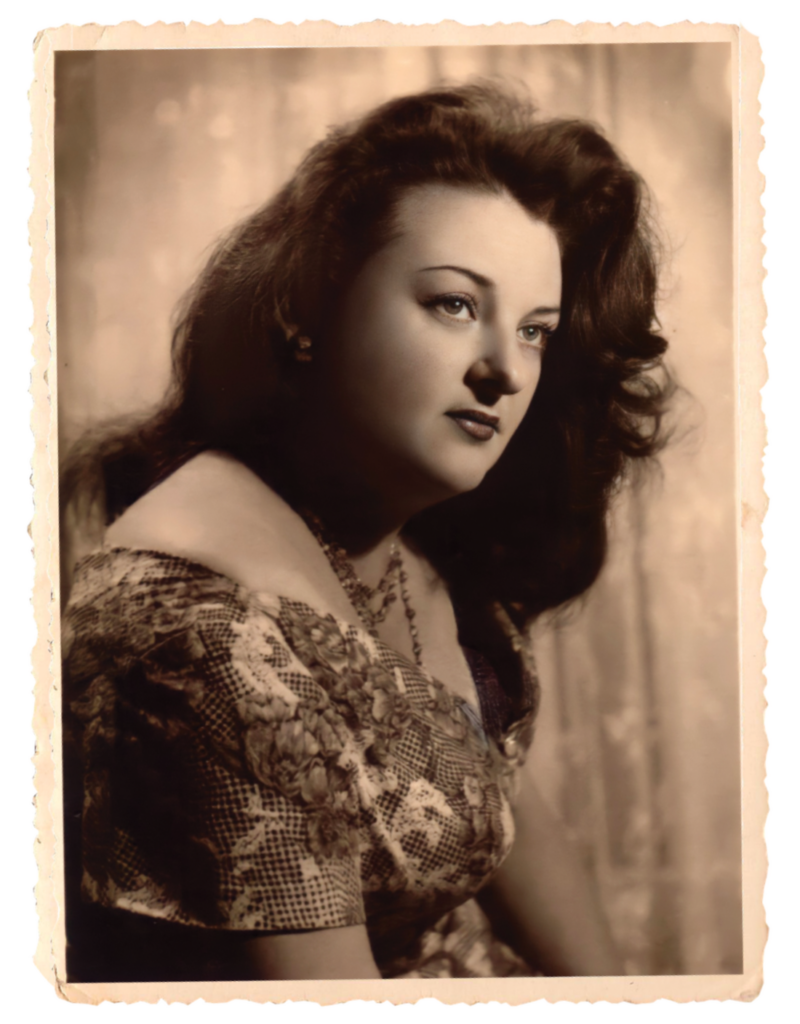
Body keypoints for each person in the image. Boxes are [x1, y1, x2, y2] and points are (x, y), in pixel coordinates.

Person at [60, 82, 672, 982]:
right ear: (307, 307)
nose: (505, 368)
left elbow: (504, 811)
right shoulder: (201, 647)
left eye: (536, 330)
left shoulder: (413, 543)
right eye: (455, 305)